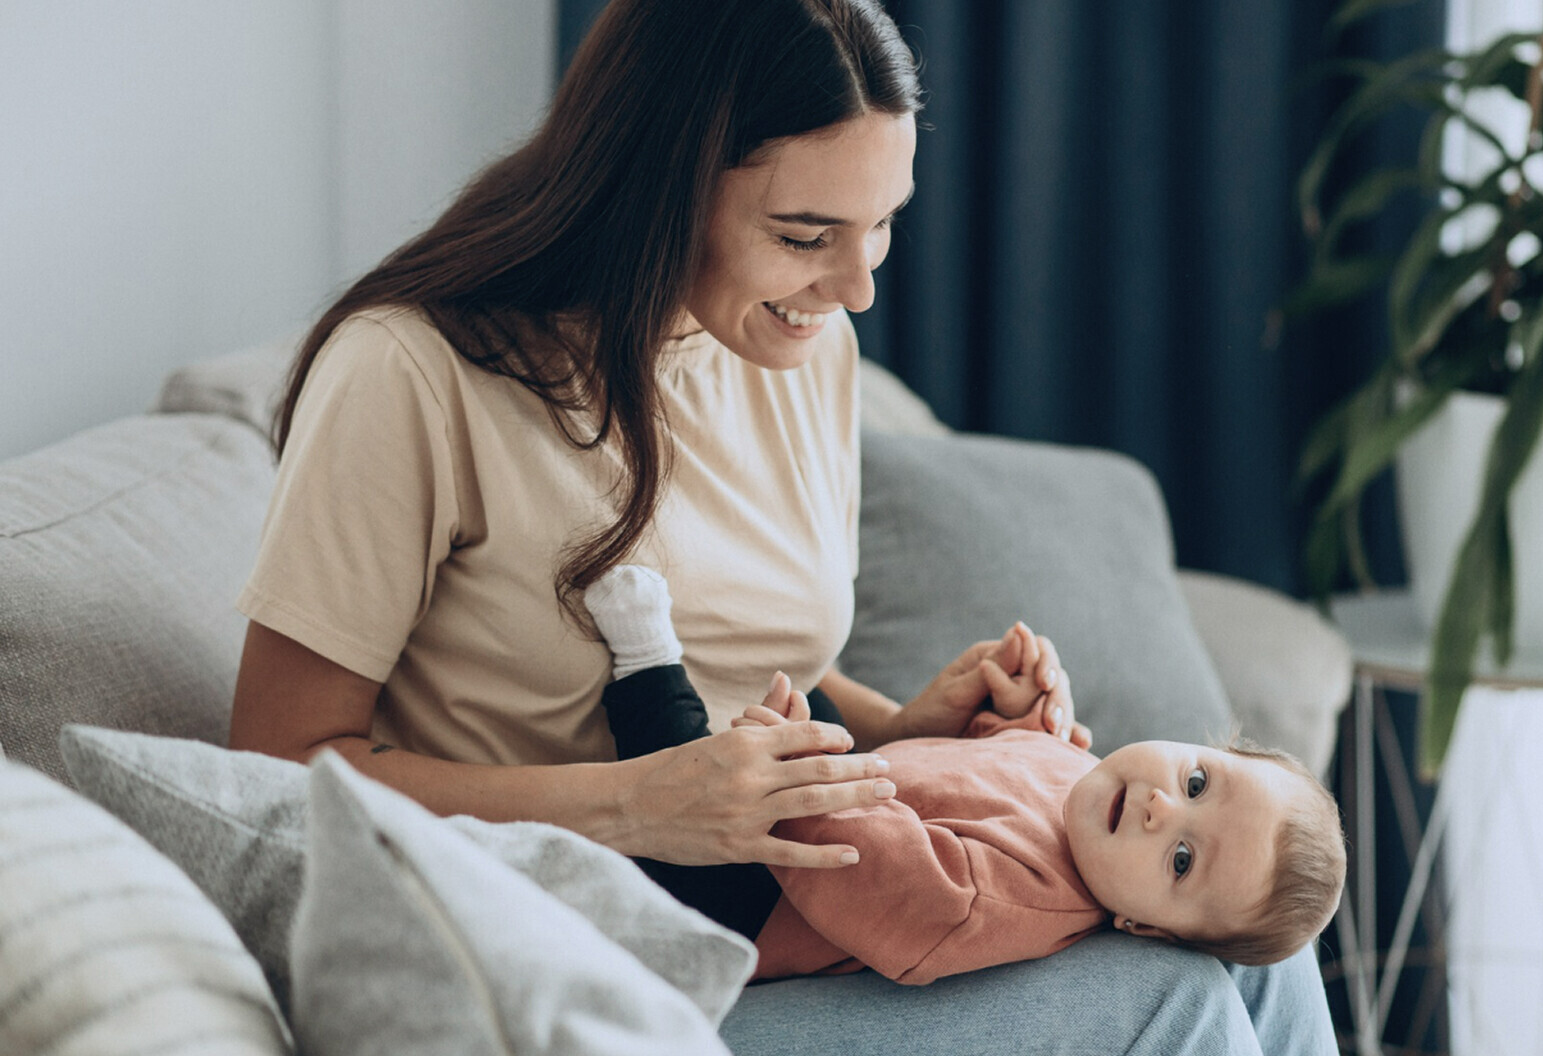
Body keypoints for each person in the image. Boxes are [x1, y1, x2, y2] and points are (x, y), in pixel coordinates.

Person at [225, 1, 1339, 1052]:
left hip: (775, 934)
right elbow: (279, 767)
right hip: (562, 963)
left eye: (883, 225)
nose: (856, 288)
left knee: (1263, 948)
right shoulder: (413, 375)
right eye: (809, 235)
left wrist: (902, 729)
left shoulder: (803, 354)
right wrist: (632, 806)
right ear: (660, 187)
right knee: (1173, 1002)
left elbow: (746, 658)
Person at [584, 564, 1347, 984]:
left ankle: (647, 664)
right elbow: (991, 774)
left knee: (695, 802)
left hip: (760, 899)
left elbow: (886, 882)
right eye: (1198, 784)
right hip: (833, 806)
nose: (1160, 809)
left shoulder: (1016, 897)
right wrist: (1012, 712)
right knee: (812, 708)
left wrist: (803, 783)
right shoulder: (1083, 776)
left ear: (1142, 928)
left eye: (1181, 859)